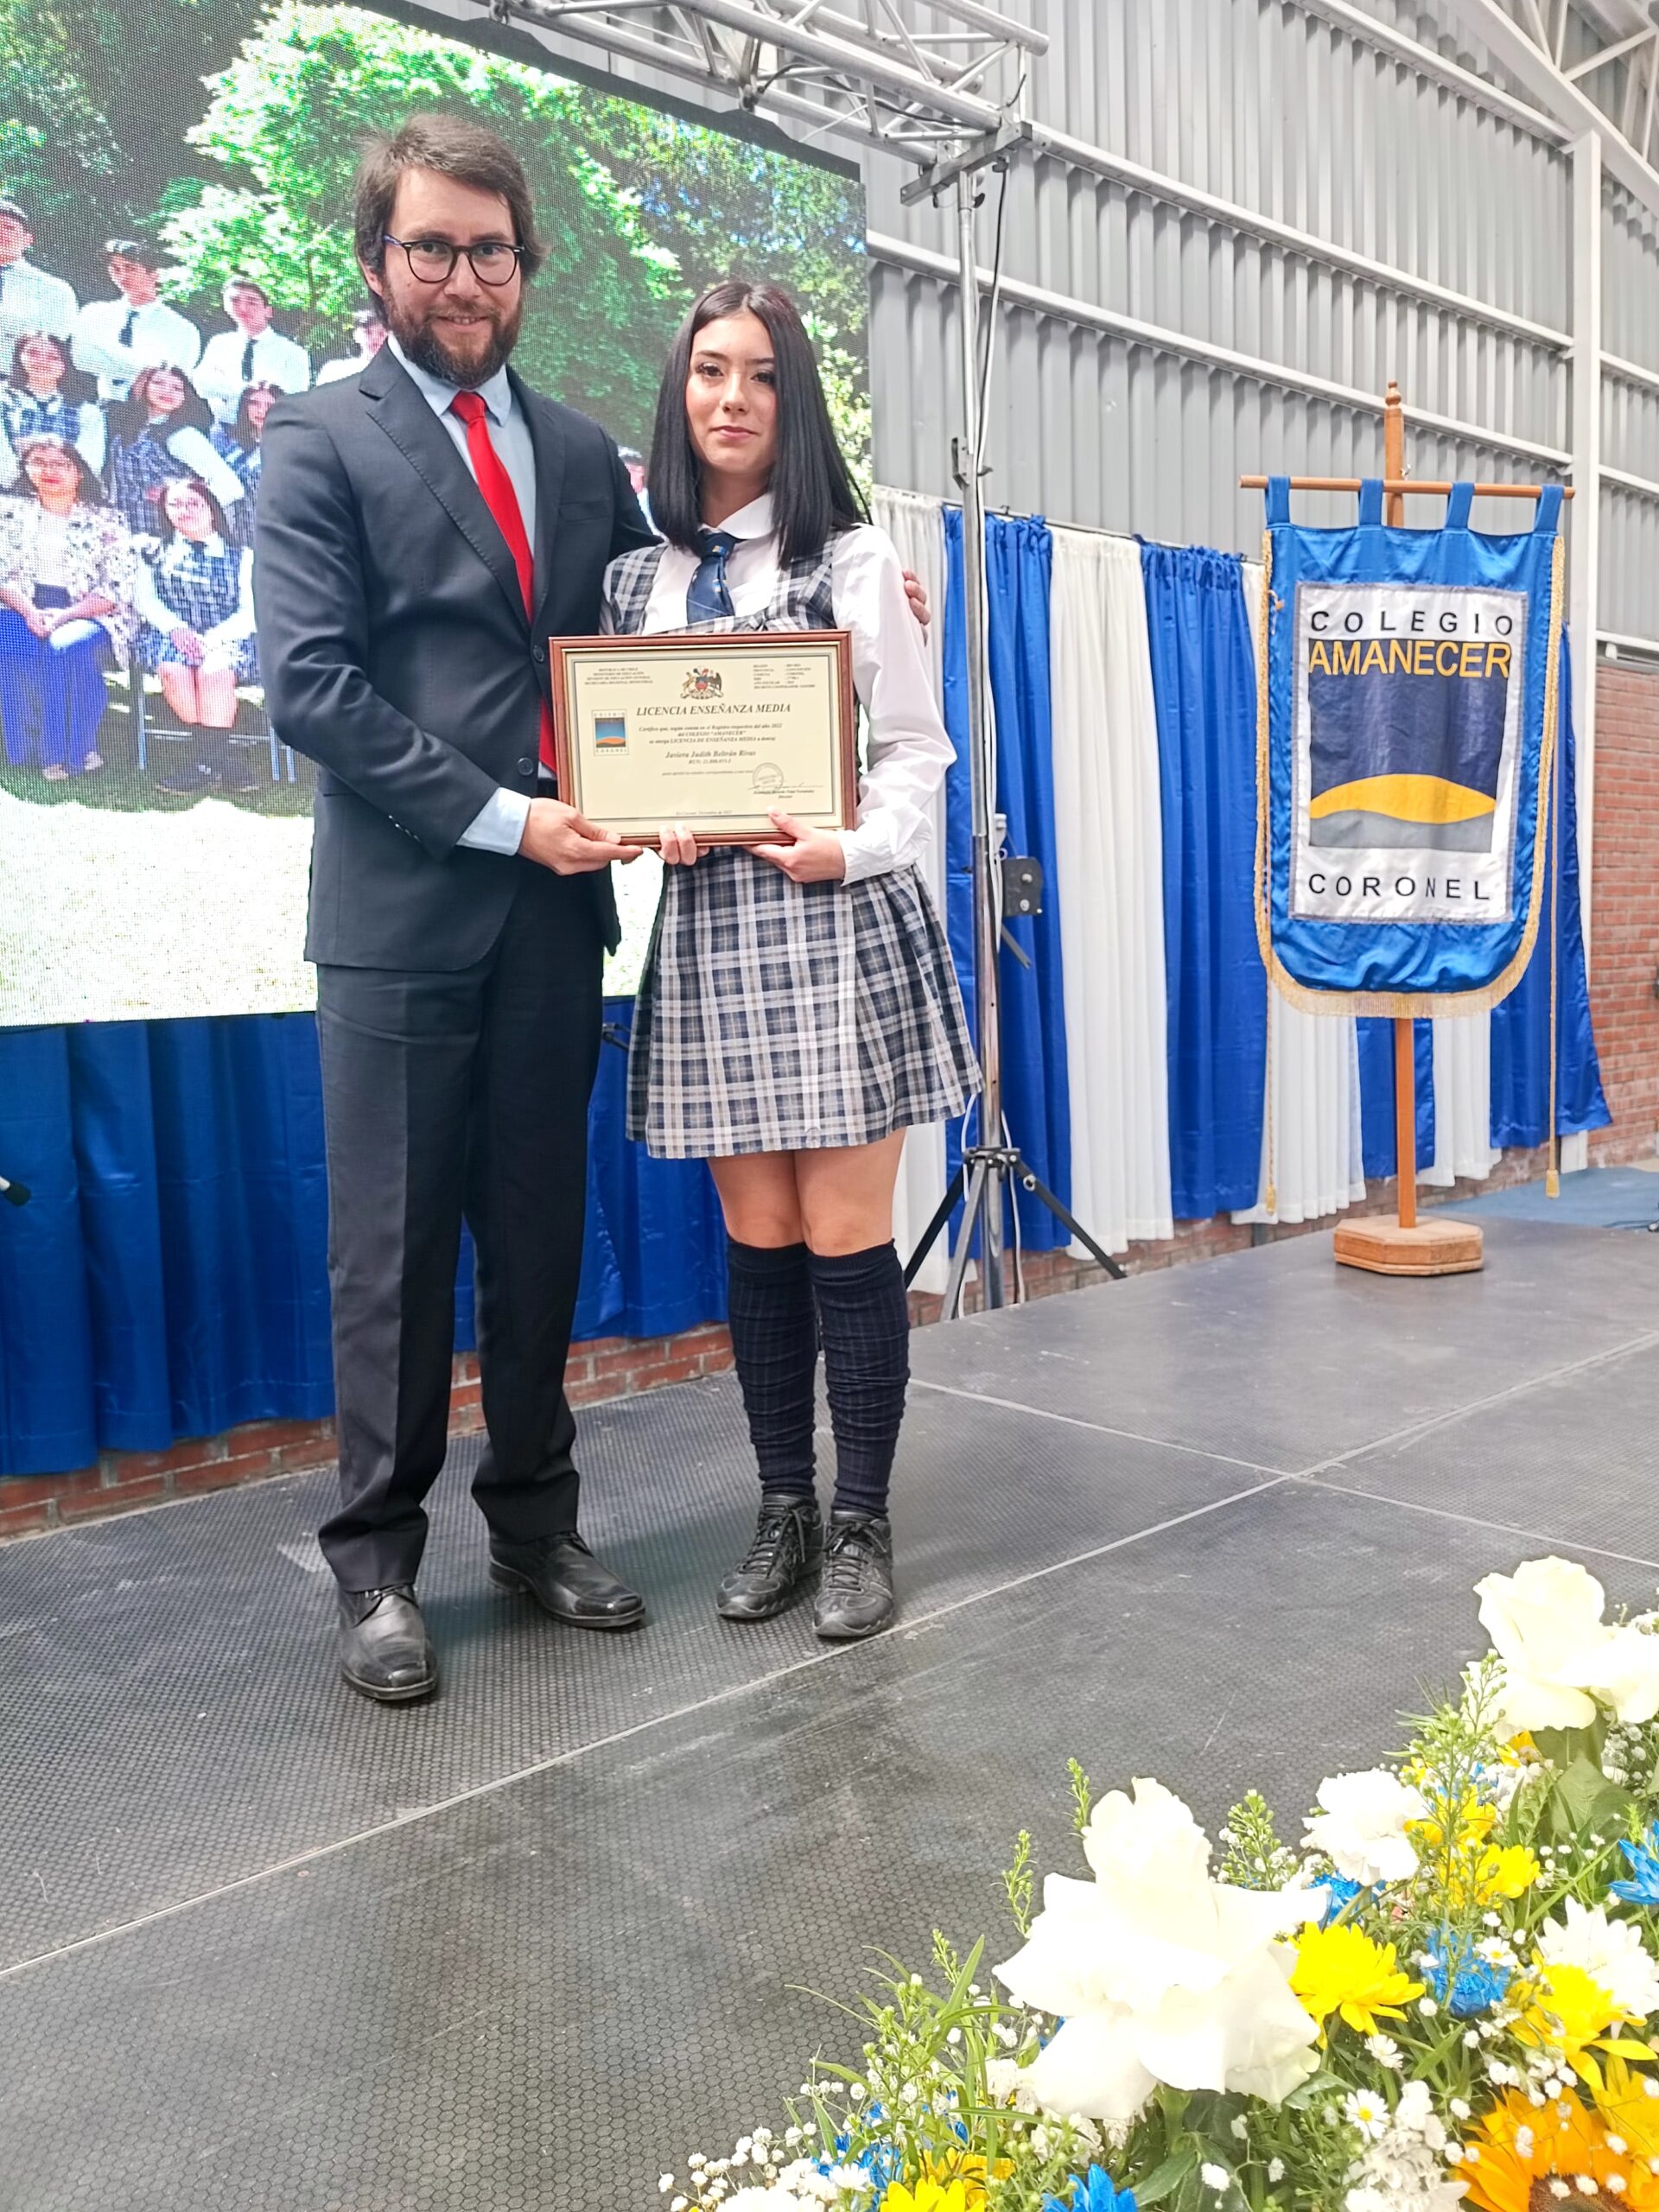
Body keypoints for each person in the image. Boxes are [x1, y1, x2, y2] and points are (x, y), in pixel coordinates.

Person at [253, 113, 663, 1707]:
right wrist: (511, 820)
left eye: (491, 249)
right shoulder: (319, 438)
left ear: (524, 264)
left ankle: (535, 1529)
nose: (465, 277)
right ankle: (375, 1567)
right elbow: (313, 687)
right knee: (394, 1260)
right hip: (401, 926)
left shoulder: (578, 451)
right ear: (379, 263)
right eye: (432, 246)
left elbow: (666, 617)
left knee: (540, 1244)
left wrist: (838, 591)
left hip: (555, 930)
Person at [602, 281, 976, 1642]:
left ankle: (863, 1520)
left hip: (837, 919)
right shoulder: (636, 580)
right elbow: (627, 754)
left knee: (844, 1240)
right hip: (712, 933)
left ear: (794, 399)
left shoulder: (858, 561)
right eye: (711, 371)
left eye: (761, 375)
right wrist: (648, 821)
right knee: (757, 1245)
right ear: (680, 392)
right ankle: (786, 1510)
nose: (733, 398)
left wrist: (854, 846)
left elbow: (917, 750)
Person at [0, 433, 133, 781]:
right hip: (21, 605)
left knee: (65, 648)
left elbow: (115, 589)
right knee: (12, 646)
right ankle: (28, 750)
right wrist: (31, 613)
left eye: (60, 464)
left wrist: (64, 616)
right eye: (38, 463)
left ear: (79, 472)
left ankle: (74, 750)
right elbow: (3, 575)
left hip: (88, 610)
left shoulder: (108, 520)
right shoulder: (8, 513)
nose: (49, 471)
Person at [132, 474, 256, 791]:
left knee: (214, 672)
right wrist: (176, 629)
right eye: (175, 504)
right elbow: (145, 600)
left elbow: (250, 612)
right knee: (173, 672)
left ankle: (204, 764)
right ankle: (220, 758)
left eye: (193, 503)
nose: (184, 511)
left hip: (227, 635)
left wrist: (211, 640)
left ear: (212, 509)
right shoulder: (152, 551)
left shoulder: (243, 557)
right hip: (170, 633)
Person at [105, 363, 244, 540]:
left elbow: (232, 488)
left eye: (177, 388)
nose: (167, 391)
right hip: (126, 533)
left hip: (166, 536)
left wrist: (186, 501)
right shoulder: (127, 430)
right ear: (143, 385)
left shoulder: (183, 435)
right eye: (158, 383)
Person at [71, 238, 200, 403]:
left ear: (154, 273)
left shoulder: (182, 329)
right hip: (102, 404)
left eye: (130, 268)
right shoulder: (94, 313)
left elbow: (175, 380)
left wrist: (106, 347)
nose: (122, 276)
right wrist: (146, 365)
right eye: (115, 269)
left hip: (152, 408)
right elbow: (82, 360)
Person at [194, 275, 310, 424]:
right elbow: (201, 385)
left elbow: (294, 398)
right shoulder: (219, 344)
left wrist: (224, 386)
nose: (243, 309)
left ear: (268, 311)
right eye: (235, 300)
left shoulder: (292, 352)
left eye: (252, 302)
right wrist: (247, 390)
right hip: (224, 427)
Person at [0, 331, 105, 487]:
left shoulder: (88, 411)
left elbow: (92, 462)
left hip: (65, 492)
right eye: (33, 353)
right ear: (19, 357)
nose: (43, 362)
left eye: (53, 357)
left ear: (65, 365)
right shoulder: (4, 401)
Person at [0, 200, 78, 347]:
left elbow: (53, 346)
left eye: (9, 228)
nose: (1, 234)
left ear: (27, 240)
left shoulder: (55, 289)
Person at [212, 379, 278, 543]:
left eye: (269, 405)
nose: (261, 410)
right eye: (254, 403)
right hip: (230, 527)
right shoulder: (227, 441)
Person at [315, 302, 388, 383]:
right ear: (356, 335)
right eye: (368, 332)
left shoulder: (396, 371)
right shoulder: (334, 371)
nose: (374, 339)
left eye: (381, 333)